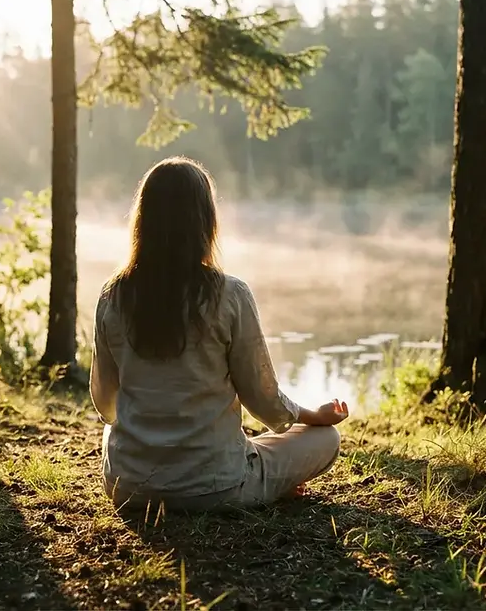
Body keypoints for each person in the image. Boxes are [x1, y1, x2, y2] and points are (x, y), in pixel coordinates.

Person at [90, 156, 349, 512]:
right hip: (216, 487)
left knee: (112, 434)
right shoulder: (230, 294)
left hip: (130, 487)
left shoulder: (113, 295)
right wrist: (314, 417)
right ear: (204, 221)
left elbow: (106, 403)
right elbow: (263, 400)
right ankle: (268, 481)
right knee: (326, 438)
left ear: (143, 220)